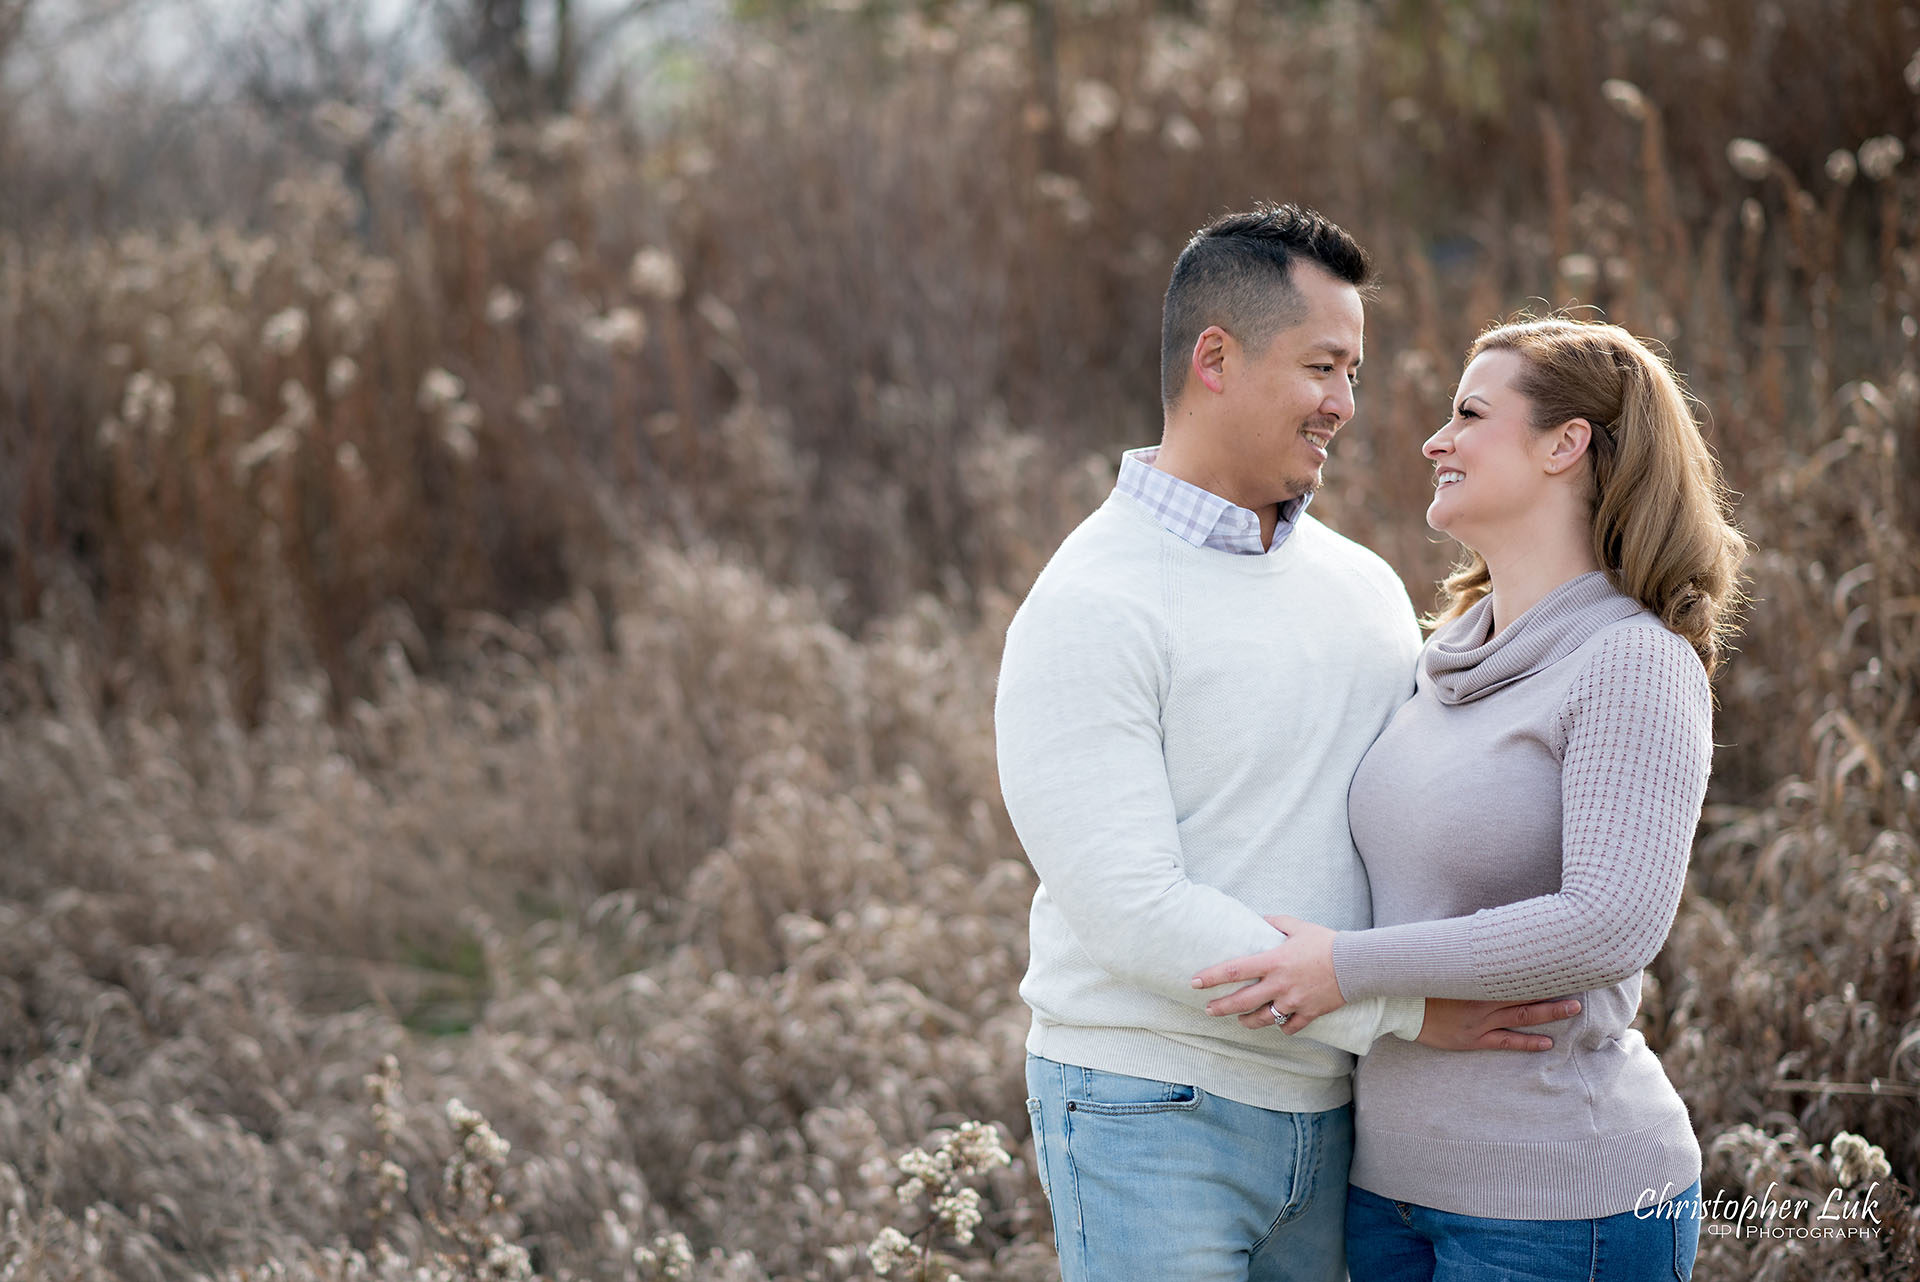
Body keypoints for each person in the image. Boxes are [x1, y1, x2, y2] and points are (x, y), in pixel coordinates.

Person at [995, 206, 1583, 1282]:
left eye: (1354, 371)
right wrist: (1405, 1006)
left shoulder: (1363, 586)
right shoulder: (1091, 600)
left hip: (1339, 1115)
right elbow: (1130, 903)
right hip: (1147, 1104)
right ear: (1215, 358)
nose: (1347, 406)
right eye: (1323, 366)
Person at [1191, 316, 1747, 1280]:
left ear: (1564, 444)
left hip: (1557, 1200)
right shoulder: (1441, 659)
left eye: (1470, 413)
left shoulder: (1631, 661)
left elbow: (1610, 923)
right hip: (1387, 1197)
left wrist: (1350, 969)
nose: (1433, 440)